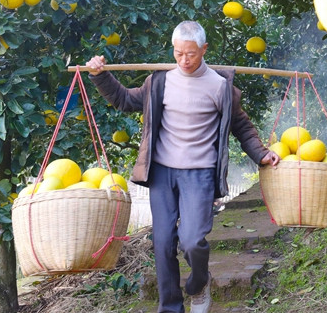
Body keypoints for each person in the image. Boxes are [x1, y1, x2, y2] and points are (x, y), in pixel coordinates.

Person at [86, 21, 280, 313]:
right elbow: (124, 100)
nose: (184, 60)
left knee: (192, 240)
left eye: (191, 53)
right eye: (178, 54)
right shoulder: (159, 83)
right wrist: (100, 76)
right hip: (162, 172)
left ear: (204, 49)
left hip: (199, 174)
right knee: (162, 244)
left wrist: (261, 154)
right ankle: (170, 308)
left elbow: (241, 126)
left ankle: (200, 283)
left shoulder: (220, 87)